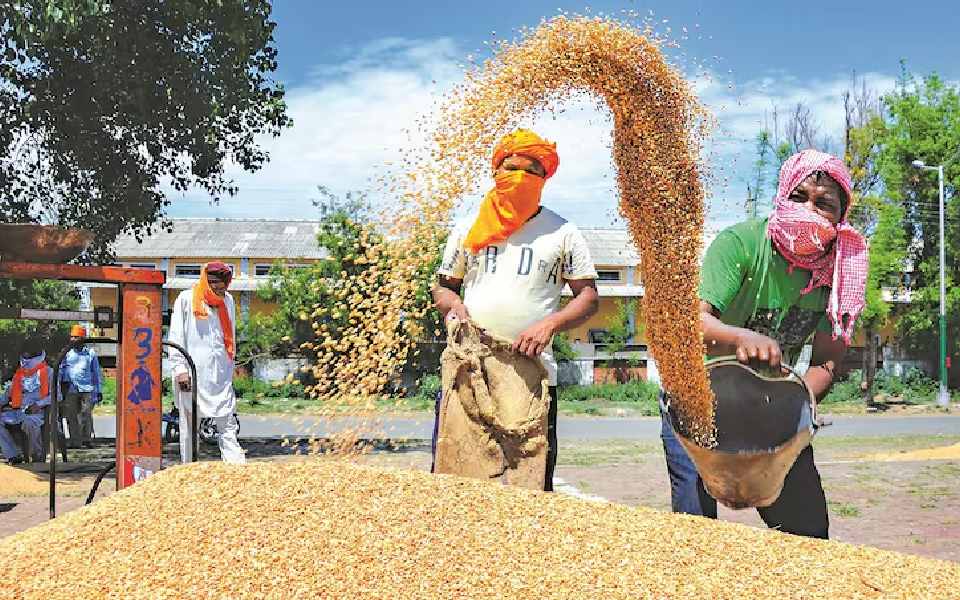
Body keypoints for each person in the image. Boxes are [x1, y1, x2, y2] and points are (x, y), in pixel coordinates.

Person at [659, 149, 868, 539]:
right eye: (798, 197)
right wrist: (742, 337)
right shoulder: (741, 244)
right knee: (693, 531)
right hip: (698, 394)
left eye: (824, 203)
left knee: (806, 532)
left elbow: (827, 362)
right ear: (781, 196)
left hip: (771, 402)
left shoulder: (841, 275)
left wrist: (800, 401)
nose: (809, 209)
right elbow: (689, 322)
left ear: (841, 216)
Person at [432, 129, 600, 490]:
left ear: (545, 179)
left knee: (529, 483)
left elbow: (588, 295)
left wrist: (550, 325)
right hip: (470, 365)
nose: (520, 177)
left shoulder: (562, 232)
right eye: (512, 167)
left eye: (532, 171)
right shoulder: (468, 227)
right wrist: (454, 309)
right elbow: (445, 287)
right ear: (496, 171)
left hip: (530, 370)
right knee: (457, 479)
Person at [166, 261, 245, 464]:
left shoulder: (227, 301)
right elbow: (176, 338)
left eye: (222, 282)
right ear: (205, 281)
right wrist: (180, 370)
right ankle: (189, 467)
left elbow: (230, 338)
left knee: (227, 422)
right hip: (192, 374)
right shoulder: (185, 299)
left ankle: (236, 467)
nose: (218, 287)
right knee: (189, 424)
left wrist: (230, 365)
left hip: (220, 374)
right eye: (213, 282)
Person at [0, 341, 53, 463]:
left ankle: (37, 456)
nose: (26, 358)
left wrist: (38, 404)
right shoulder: (19, 374)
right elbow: (6, 395)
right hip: (17, 412)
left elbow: (57, 396)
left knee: (29, 423)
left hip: (37, 413)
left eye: (29, 355)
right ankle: (13, 455)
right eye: (25, 355)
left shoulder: (49, 372)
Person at [59, 325, 102, 449]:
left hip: (87, 389)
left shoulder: (90, 353)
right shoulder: (66, 353)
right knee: (71, 416)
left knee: (86, 415)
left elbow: (96, 373)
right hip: (70, 389)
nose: (73, 339)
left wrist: (98, 391)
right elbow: (60, 370)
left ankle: (87, 440)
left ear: (83, 338)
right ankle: (75, 442)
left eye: (76, 337)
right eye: (72, 337)